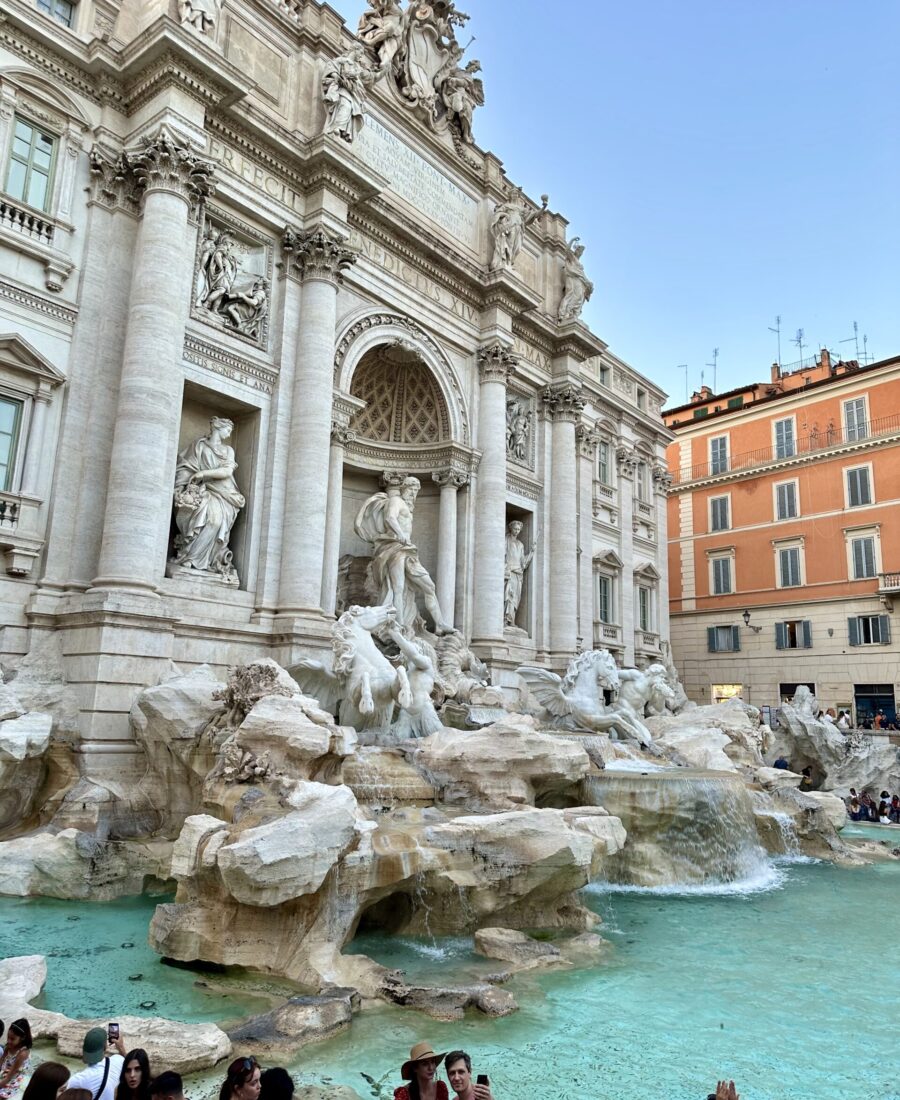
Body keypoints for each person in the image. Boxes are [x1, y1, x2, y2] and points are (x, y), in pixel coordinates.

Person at [66, 1027, 126, 1100]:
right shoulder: (118, 1060)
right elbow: (131, 1064)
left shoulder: (77, 1080)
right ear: (105, 1046)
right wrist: (121, 1047)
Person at [0, 1020, 32, 1100]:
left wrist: (1, 1082)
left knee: (3, 1094)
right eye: (8, 1037)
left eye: (12, 1039)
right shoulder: (9, 1046)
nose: (8, 1041)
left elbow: (9, 1077)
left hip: (14, 1075)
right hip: (7, 1070)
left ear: (23, 1038)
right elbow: (2, 1060)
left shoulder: (22, 1054)